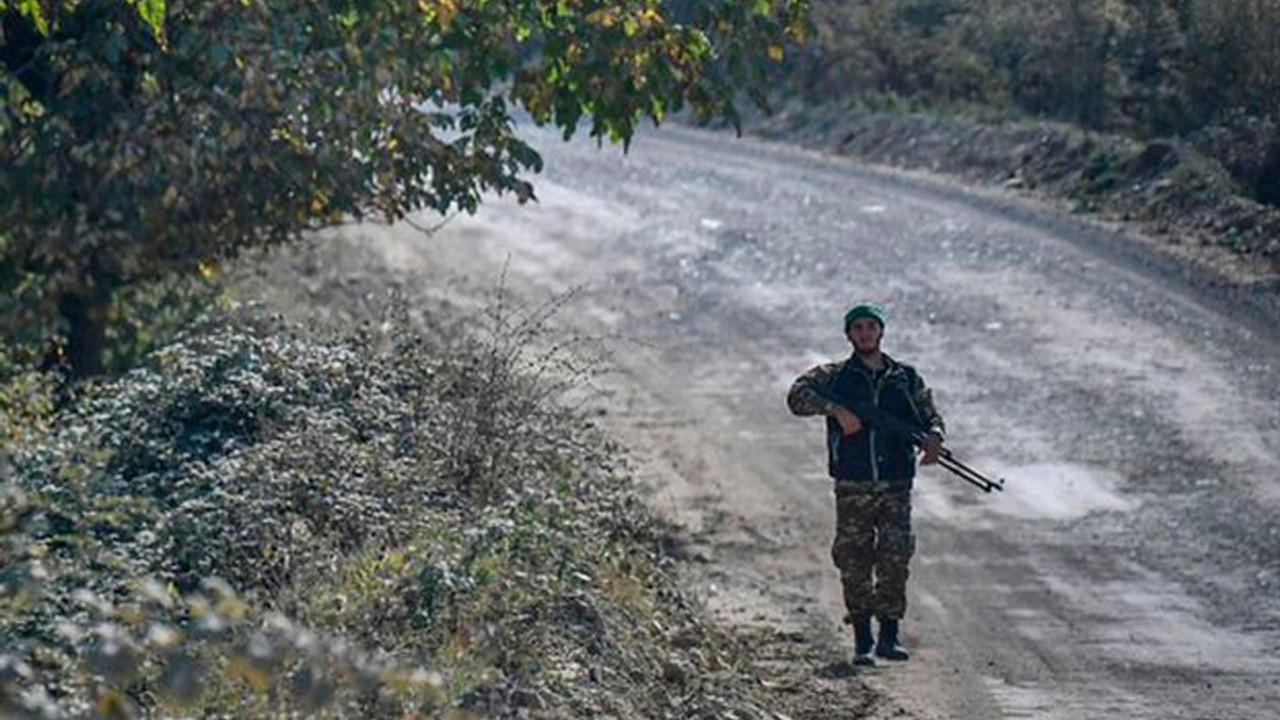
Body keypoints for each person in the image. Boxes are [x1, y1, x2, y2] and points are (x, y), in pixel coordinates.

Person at [786, 302, 945, 667]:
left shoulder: (905, 378)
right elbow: (796, 397)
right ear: (849, 334)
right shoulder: (835, 377)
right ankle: (862, 639)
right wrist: (837, 411)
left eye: (871, 327)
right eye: (857, 328)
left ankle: (889, 635)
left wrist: (934, 437)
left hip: (895, 482)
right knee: (854, 558)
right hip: (853, 481)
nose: (865, 333)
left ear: (881, 331)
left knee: (894, 555)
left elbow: (931, 415)